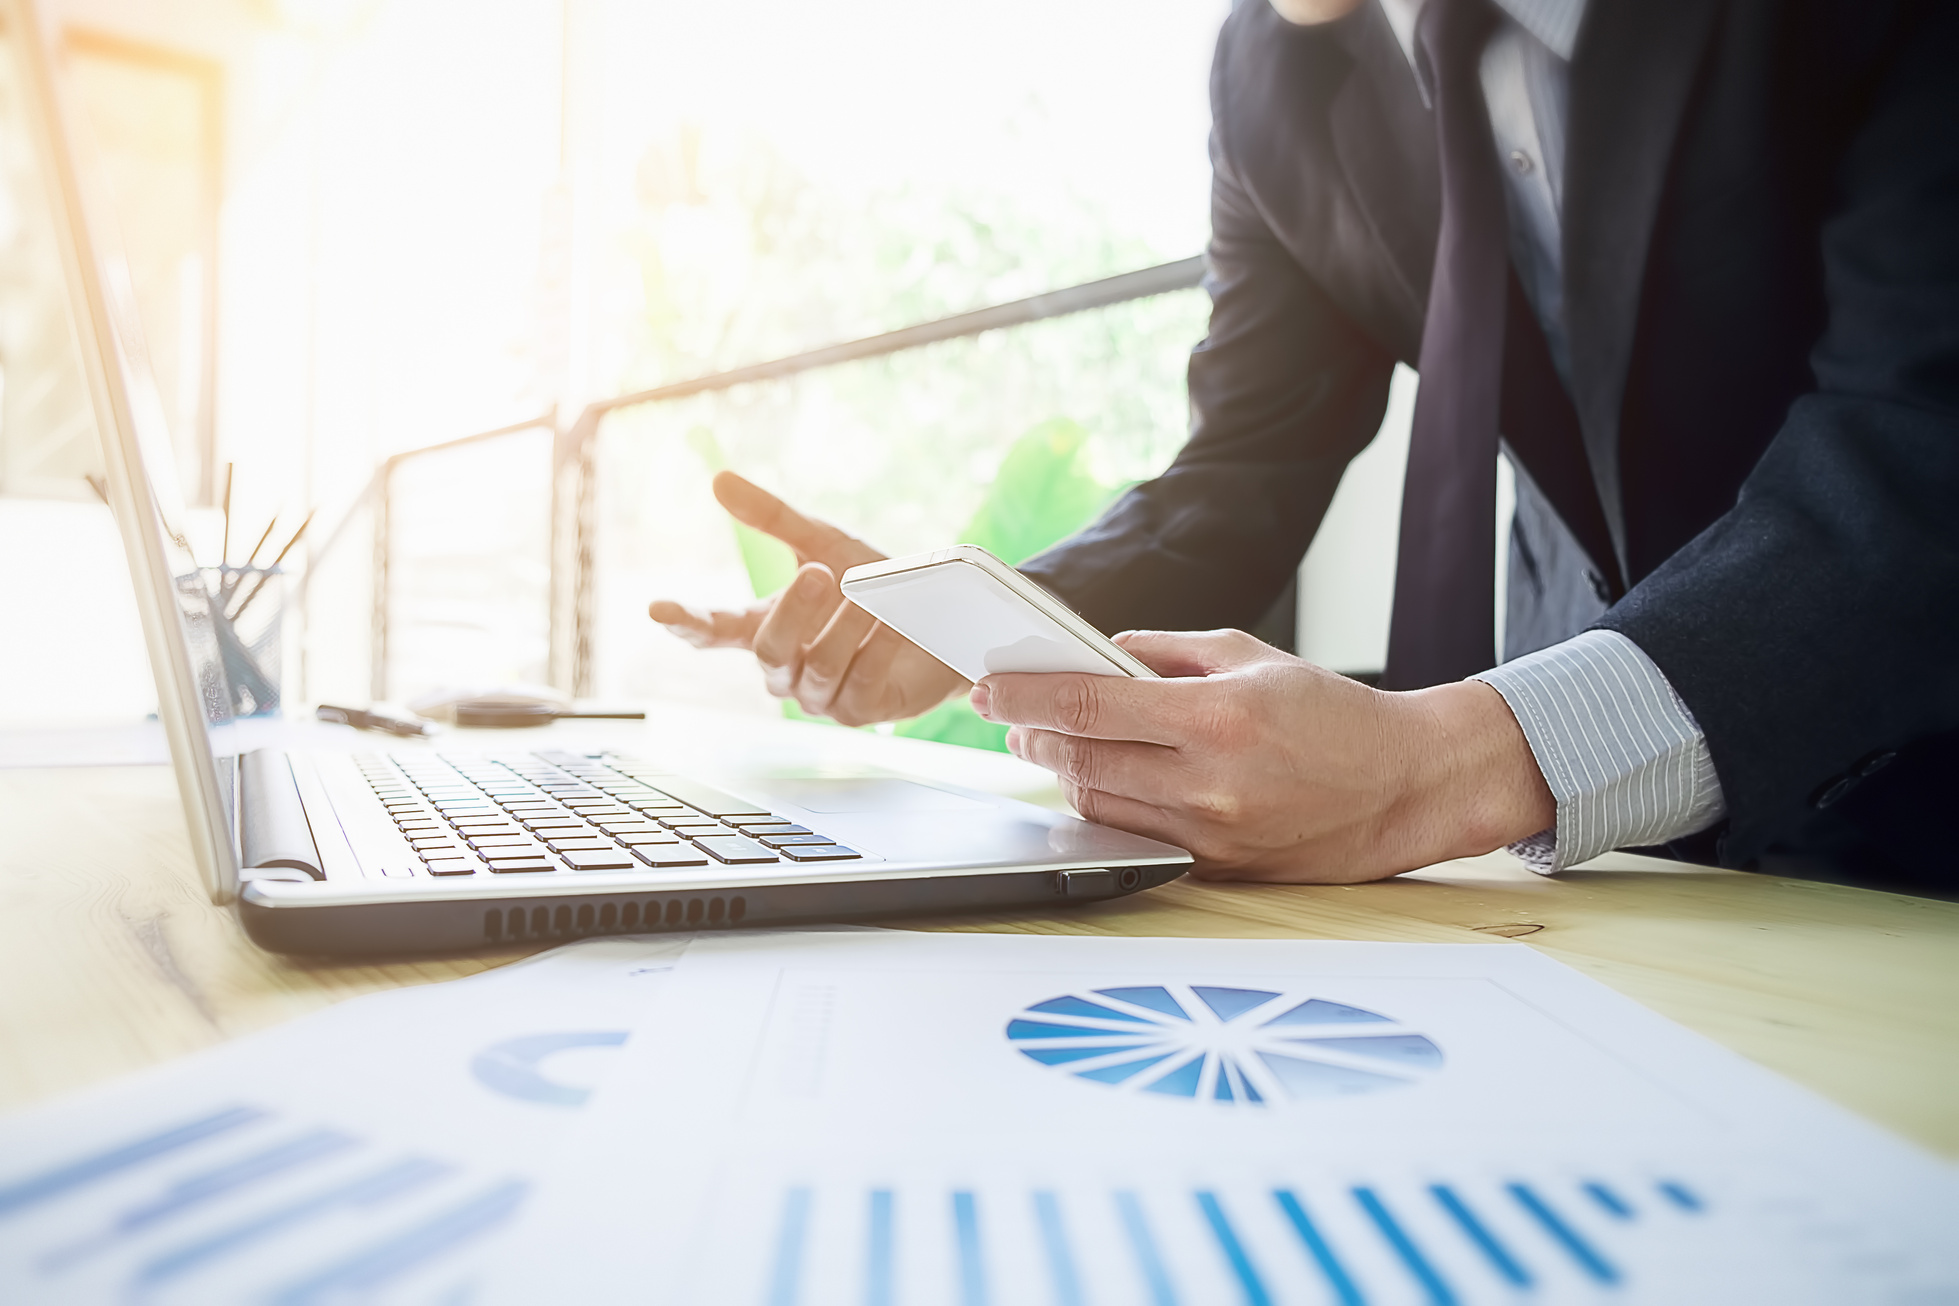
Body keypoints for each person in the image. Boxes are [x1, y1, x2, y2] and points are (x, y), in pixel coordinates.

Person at [650, 0, 1959, 888]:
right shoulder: (1273, 68)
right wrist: (987, 619)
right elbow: (1248, 464)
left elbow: (1924, 439)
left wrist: (1446, 766)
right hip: (1589, 871)